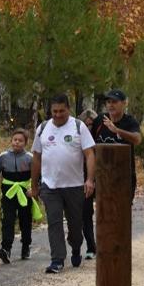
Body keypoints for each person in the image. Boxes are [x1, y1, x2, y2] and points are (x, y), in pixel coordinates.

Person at [30, 94, 95, 274]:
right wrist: (34, 185)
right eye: (55, 111)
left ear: (69, 109)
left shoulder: (78, 126)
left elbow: (90, 154)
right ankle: (57, 259)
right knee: (54, 222)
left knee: (75, 224)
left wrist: (90, 180)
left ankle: (75, 246)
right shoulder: (43, 128)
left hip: (74, 186)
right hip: (50, 186)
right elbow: (36, 158)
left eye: (62, 111)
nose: (58, 115)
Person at [0, 128, 38, 263]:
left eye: (20, 141)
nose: (17, 143)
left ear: (25, 143)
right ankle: (6, 248)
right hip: (9, 192)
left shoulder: (30, 158)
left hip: (25, 191)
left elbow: (38, 175)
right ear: (11, 141)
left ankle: (26, 246)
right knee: (8, 219)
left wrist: (35, 189)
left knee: (25, 220)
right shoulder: (3, 156)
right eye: (15, 140)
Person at [92, 89, 142, 202]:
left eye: (114, 102)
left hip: (124, 177)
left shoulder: (129, 121)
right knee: (103, 214)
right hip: (102, 177)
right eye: (108, 102)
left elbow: (137, 139)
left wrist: (117, 130)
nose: (111, 105)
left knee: (122, 215)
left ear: (124, 103)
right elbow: (89, 144)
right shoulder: (100, 120)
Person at [78, 109, 98, 258]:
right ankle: (91, 247)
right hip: (83, 180)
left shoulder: (101, 137)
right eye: (86, 124)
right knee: (85, 214)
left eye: (91, 124)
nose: (89, 127)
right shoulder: (78, 138)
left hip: (102, 179)